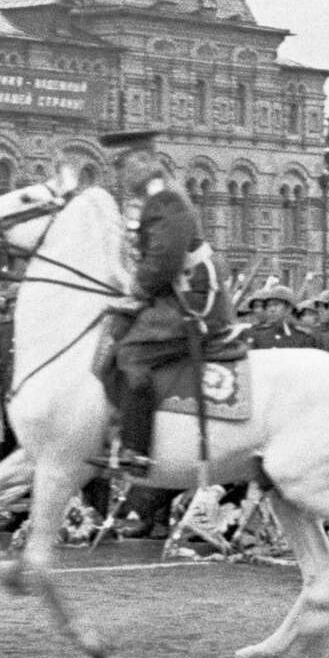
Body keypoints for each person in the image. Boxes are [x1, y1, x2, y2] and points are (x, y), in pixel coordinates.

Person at [92, 127, 231, 473]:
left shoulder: (165, 199)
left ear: (143, 162)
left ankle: (137, 449)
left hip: (194, 299)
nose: (119, 175)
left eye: (122, 166)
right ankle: (115, 430)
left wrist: (136, 291)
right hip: (173, 292)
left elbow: (166, 259)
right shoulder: (153, 199)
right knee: (113, 334)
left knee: (133, 352)